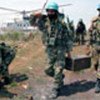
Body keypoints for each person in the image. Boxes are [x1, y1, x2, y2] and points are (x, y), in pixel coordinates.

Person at [30, 2, 73, 99]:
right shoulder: (44, 21)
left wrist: (69, 52)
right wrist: (34, 15)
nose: (50, 13)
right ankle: (60, 78)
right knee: (48, 70)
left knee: (58, 69)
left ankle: (56, 89)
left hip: (60, 49)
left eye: (52, 11)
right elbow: (32, 23)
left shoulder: (62, 24)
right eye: (49, 11)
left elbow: (67, 38)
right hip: (50, 50)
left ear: (56, 12)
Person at [89, 4, 100, 93]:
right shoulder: (94, 20)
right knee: (95, 64)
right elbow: (90, 32)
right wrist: (88, 45)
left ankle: (98, 82)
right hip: (95, 46)